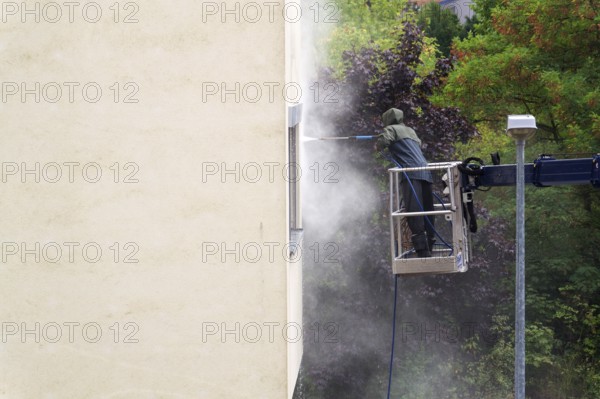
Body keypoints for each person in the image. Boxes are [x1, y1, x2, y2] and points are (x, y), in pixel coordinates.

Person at [378, 108, 435, 258]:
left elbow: (384, 141)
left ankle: (422, 251)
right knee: (428, 210)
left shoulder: (390, 129)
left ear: (387, 119)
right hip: (425, 171)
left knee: (414, 210)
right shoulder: (410, 130)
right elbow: (418, 145)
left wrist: (378, 142)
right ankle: (430, 244)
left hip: (411, 173)